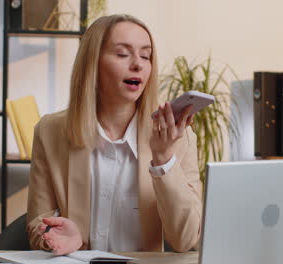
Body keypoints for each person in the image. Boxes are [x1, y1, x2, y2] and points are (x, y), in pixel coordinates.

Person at [26, 14, 202, 255]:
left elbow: (187, 239)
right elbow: (38, 224)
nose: (138, 65)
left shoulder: (179, 137)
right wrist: (55, 237)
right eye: (122, 54)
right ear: (92, 63)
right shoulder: (50, 131)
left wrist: (164, 159)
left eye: (146, 55)